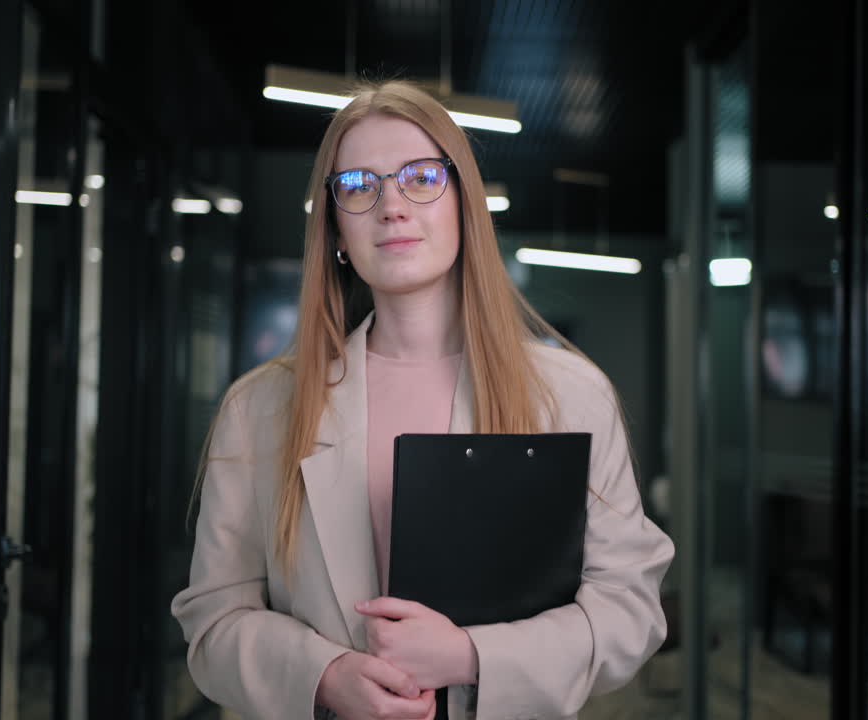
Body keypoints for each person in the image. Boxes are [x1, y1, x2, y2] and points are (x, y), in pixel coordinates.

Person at [170, 80, 674, 720]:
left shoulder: (571, 395)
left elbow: (629, 607)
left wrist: (471, 654)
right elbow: (213, 620)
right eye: (358, 185)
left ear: (465, 203)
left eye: (421, 177)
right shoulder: (261, 408)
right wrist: (323, 675)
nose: (392, 206)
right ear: (334, 228)